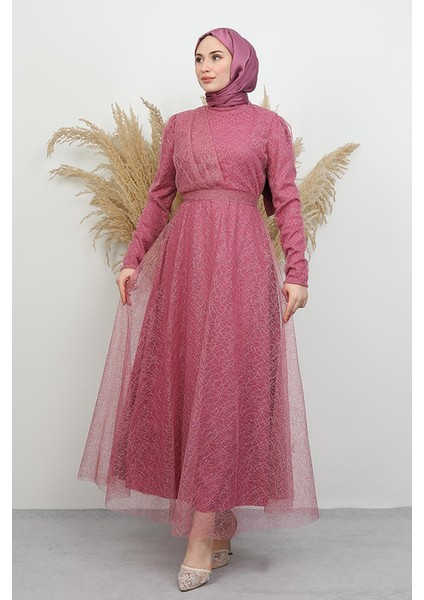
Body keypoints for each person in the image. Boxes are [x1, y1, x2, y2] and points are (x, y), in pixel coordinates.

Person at [77, 27, 320, 592]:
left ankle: (201, 535)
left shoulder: (269, 126)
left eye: (216, 56)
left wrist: (297, 273)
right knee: (192, 387)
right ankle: (218, 525)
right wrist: (132, 258)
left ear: (240, 63)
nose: (205, 66)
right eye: (198, 58)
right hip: (185, 265)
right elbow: (160, 197)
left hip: (242, 265)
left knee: (225, 389)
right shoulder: (180, 126)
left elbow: (286, 200)